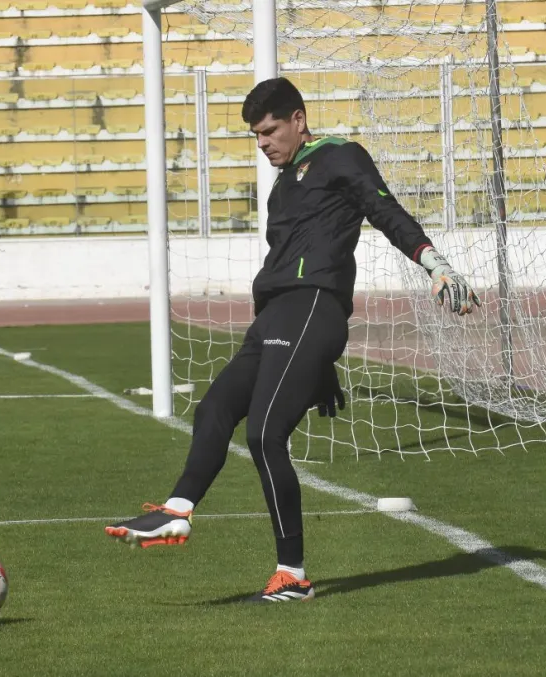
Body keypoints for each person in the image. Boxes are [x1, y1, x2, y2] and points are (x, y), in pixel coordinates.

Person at [106, 77, 480, 602]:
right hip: (275, 318)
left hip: (312, 307)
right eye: (256, 136)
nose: (263, 143)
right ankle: (178, 510)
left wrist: (434, 264)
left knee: (264, 434)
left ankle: (293, 575)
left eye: (270, 130)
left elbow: (385, 211)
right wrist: (316, 366)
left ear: (298, 120)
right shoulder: (282, 187)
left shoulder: (341, 156)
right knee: (214, 408)